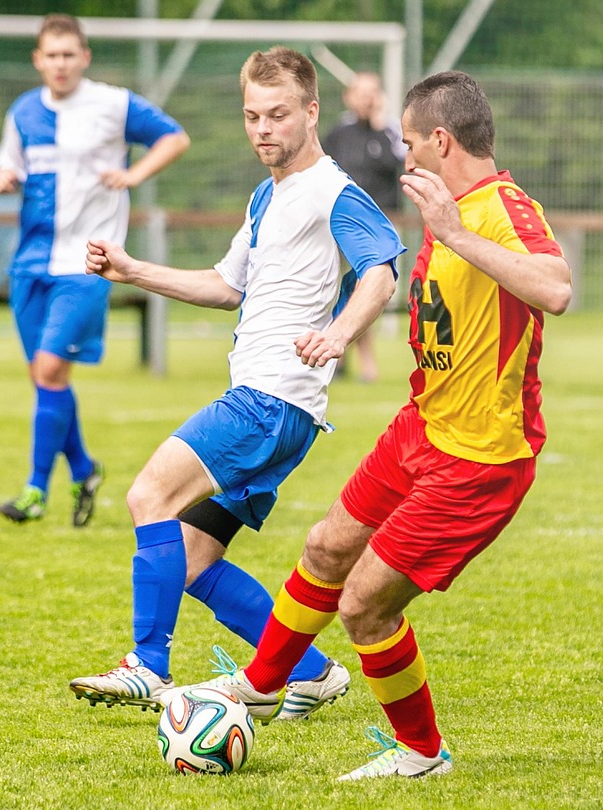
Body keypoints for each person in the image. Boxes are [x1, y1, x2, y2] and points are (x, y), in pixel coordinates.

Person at [184, 69, 572, 779]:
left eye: (411, 142)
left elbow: (556, 287)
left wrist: (456, 234)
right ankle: (261, 687)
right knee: (327, 545)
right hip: (420, 428)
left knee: (365, 606)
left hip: (479, 459)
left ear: (442, 140)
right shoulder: (444, 204)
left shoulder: (500, 210)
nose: (404, 156)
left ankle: (423, 753)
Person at [66, 45, 405, 718]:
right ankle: (309, 671)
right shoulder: (266, 194)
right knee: (190, 557)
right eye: (252, 116)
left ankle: (147, 664)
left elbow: (382, 273)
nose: (263, 129)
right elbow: (226, 287)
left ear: (312, 111)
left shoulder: (334, 189)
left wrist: (338, 336)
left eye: (278, 114)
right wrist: (134, 270)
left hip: (268, 400)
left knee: (148, 494)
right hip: (279, 408)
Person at [0, 14, 190, 526]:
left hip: (88, 262)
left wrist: (134, 173)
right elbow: (7, 164)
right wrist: (3, 177)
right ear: (38, 60)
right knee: (44, 376)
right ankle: (84, 468)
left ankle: (35, 491)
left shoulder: (111, 103)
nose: (59, 64)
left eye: (68, 54)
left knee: (51, 369)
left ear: (84, 57)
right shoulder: (23, 112)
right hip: (30, 263)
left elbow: (173, 137)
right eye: (50, 55)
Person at [321, 72, 406, 384]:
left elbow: (395, 164)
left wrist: (379, 124)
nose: (366, 98)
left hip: (377, 226)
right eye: (361, 92)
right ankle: (338, 359)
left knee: (364, 289)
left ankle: (365, 364)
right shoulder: (338, 134)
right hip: (339, 222)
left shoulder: (389, 132)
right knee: (335, 288)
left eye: (373, 92)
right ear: (349, 96)